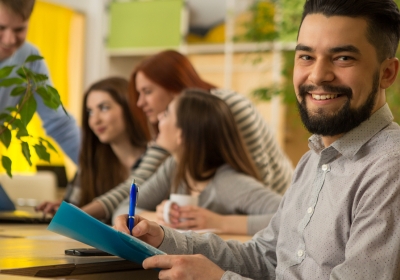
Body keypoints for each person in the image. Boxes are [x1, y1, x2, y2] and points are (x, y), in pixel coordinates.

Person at [114, 0, 400, 278]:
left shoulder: (390, 168)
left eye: (343, 58)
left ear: (387, 73)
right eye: (306, 57)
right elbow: (265, 257)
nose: (318, 75)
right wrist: (163, 238)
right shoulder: (313, 159)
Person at [82, 50, 294, 221]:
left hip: (275, 205)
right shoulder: (174, 152)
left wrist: (220, 222)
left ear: (174, 88)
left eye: (147, 92)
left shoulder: (229, 107)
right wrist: (78, 215)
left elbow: (259, 181)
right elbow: (135, 186)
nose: (139, 103)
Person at [135, 88, 282, 235]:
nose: (159, 117)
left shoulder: (228, 183)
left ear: (182, 134)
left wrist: (221, 223)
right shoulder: (174, 167)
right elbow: (125, 208)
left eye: (166, 114)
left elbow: (292, 216)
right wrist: (159, 218)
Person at [36, 77, 149, 217]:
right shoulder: (91, 163)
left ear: (129, 107)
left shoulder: (157, 158)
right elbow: (73, 212)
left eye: (104, 108)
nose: (95, 120)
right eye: (90, 112)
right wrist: (63, 209)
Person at [0, 0, 80, 163]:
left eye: (19, 29)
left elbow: (59, 123)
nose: (9, 40)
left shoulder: (28, 59)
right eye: (1, 28)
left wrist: (98, 169)